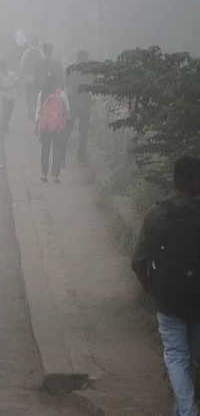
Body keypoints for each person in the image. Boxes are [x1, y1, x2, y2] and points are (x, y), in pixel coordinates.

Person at [131, 156, 200, 416]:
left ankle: (187, 412)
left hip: (167, 300)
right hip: (197, 298)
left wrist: (153, 292)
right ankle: (183, 411)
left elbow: (138, 261)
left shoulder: (157, 214)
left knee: (175, 356)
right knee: (190, 357)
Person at [34, 74, 70, 182]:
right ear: (56, 83)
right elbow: (67, 110)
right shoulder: (61, 94)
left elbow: (38, 110)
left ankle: (44, 174)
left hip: (45, 125)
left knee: (45, 150)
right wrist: (66, 118)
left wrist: (36, 124)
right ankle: (55, 175)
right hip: (58, 126)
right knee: (57, 149)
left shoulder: (42, 94)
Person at [65, 50, 93, 166]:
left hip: (72, 100)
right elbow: (92, 84)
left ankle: (61, 158)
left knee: (67, 128)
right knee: (83, 132)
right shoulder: (89, 70)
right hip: (85, 102)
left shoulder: (70, 68)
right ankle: (81, 160)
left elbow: (67, 83)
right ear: (86, 58)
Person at [20, 38, 46, 120]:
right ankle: (35, 109)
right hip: (38, 78)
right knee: (37, 94)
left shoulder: (27, 52)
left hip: (28, 77)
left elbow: (21, 64)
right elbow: (44, 65)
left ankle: (30, 107)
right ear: (38, 44)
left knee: (28, 94)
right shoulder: (40, 53)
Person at [0, 61, 20, 132]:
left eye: (3, 67)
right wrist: (1, 88)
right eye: (0, 68)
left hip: (12, 95)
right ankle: (5, 124)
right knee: (5, 110)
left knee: (10, 110)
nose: (2, 69)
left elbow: (17, 82)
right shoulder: (0, 77)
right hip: (5, 96)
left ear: (6, 67)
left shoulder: (12, 74)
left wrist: (9, 86)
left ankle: (6, 123)